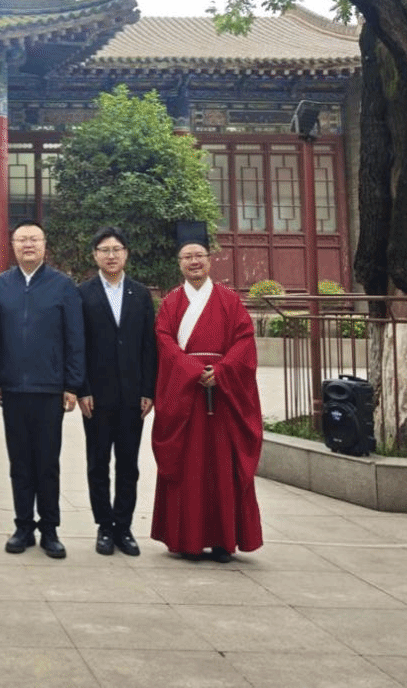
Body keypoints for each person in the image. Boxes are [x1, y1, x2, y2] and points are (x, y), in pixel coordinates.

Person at [151, 227, 263, 562]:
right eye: (187, 257)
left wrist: (223, 371)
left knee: (222, 469)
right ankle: (187, 539)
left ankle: (223, 541)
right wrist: (192, 371)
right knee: (188, 468)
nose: (194, 262)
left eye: (199, 255)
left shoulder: (230, 301)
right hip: (187, 397)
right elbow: (164, 341)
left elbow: (244, 340)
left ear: (210, 260)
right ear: (179, 263)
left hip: (223, 398)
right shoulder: (171, 303)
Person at [0, 220, 85, 559]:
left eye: (34, 239)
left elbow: (75, 338)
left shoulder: (63, 286)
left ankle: (50, 529)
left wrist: (72, 384)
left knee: (47, 462)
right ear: (13, 245)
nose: (28, 244)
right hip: (13, 389)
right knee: (19, 462)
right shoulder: (2, 285)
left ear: (44, 245)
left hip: (49, 389)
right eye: (21, 239)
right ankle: (23, 526)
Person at [77, 226, 157, 557]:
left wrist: (148, 389)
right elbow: (78, 345)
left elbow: (149, 346)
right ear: (95, 255)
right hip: (96, 397)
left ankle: (124, 527)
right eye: (104, 250)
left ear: (126, 254)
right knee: (98, 464)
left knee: (128, 465)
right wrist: (82, 389)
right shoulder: (83, 293)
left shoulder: (140, 294)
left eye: (117, 249)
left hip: (132, 396)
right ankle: (104, 526)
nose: (111, 255)